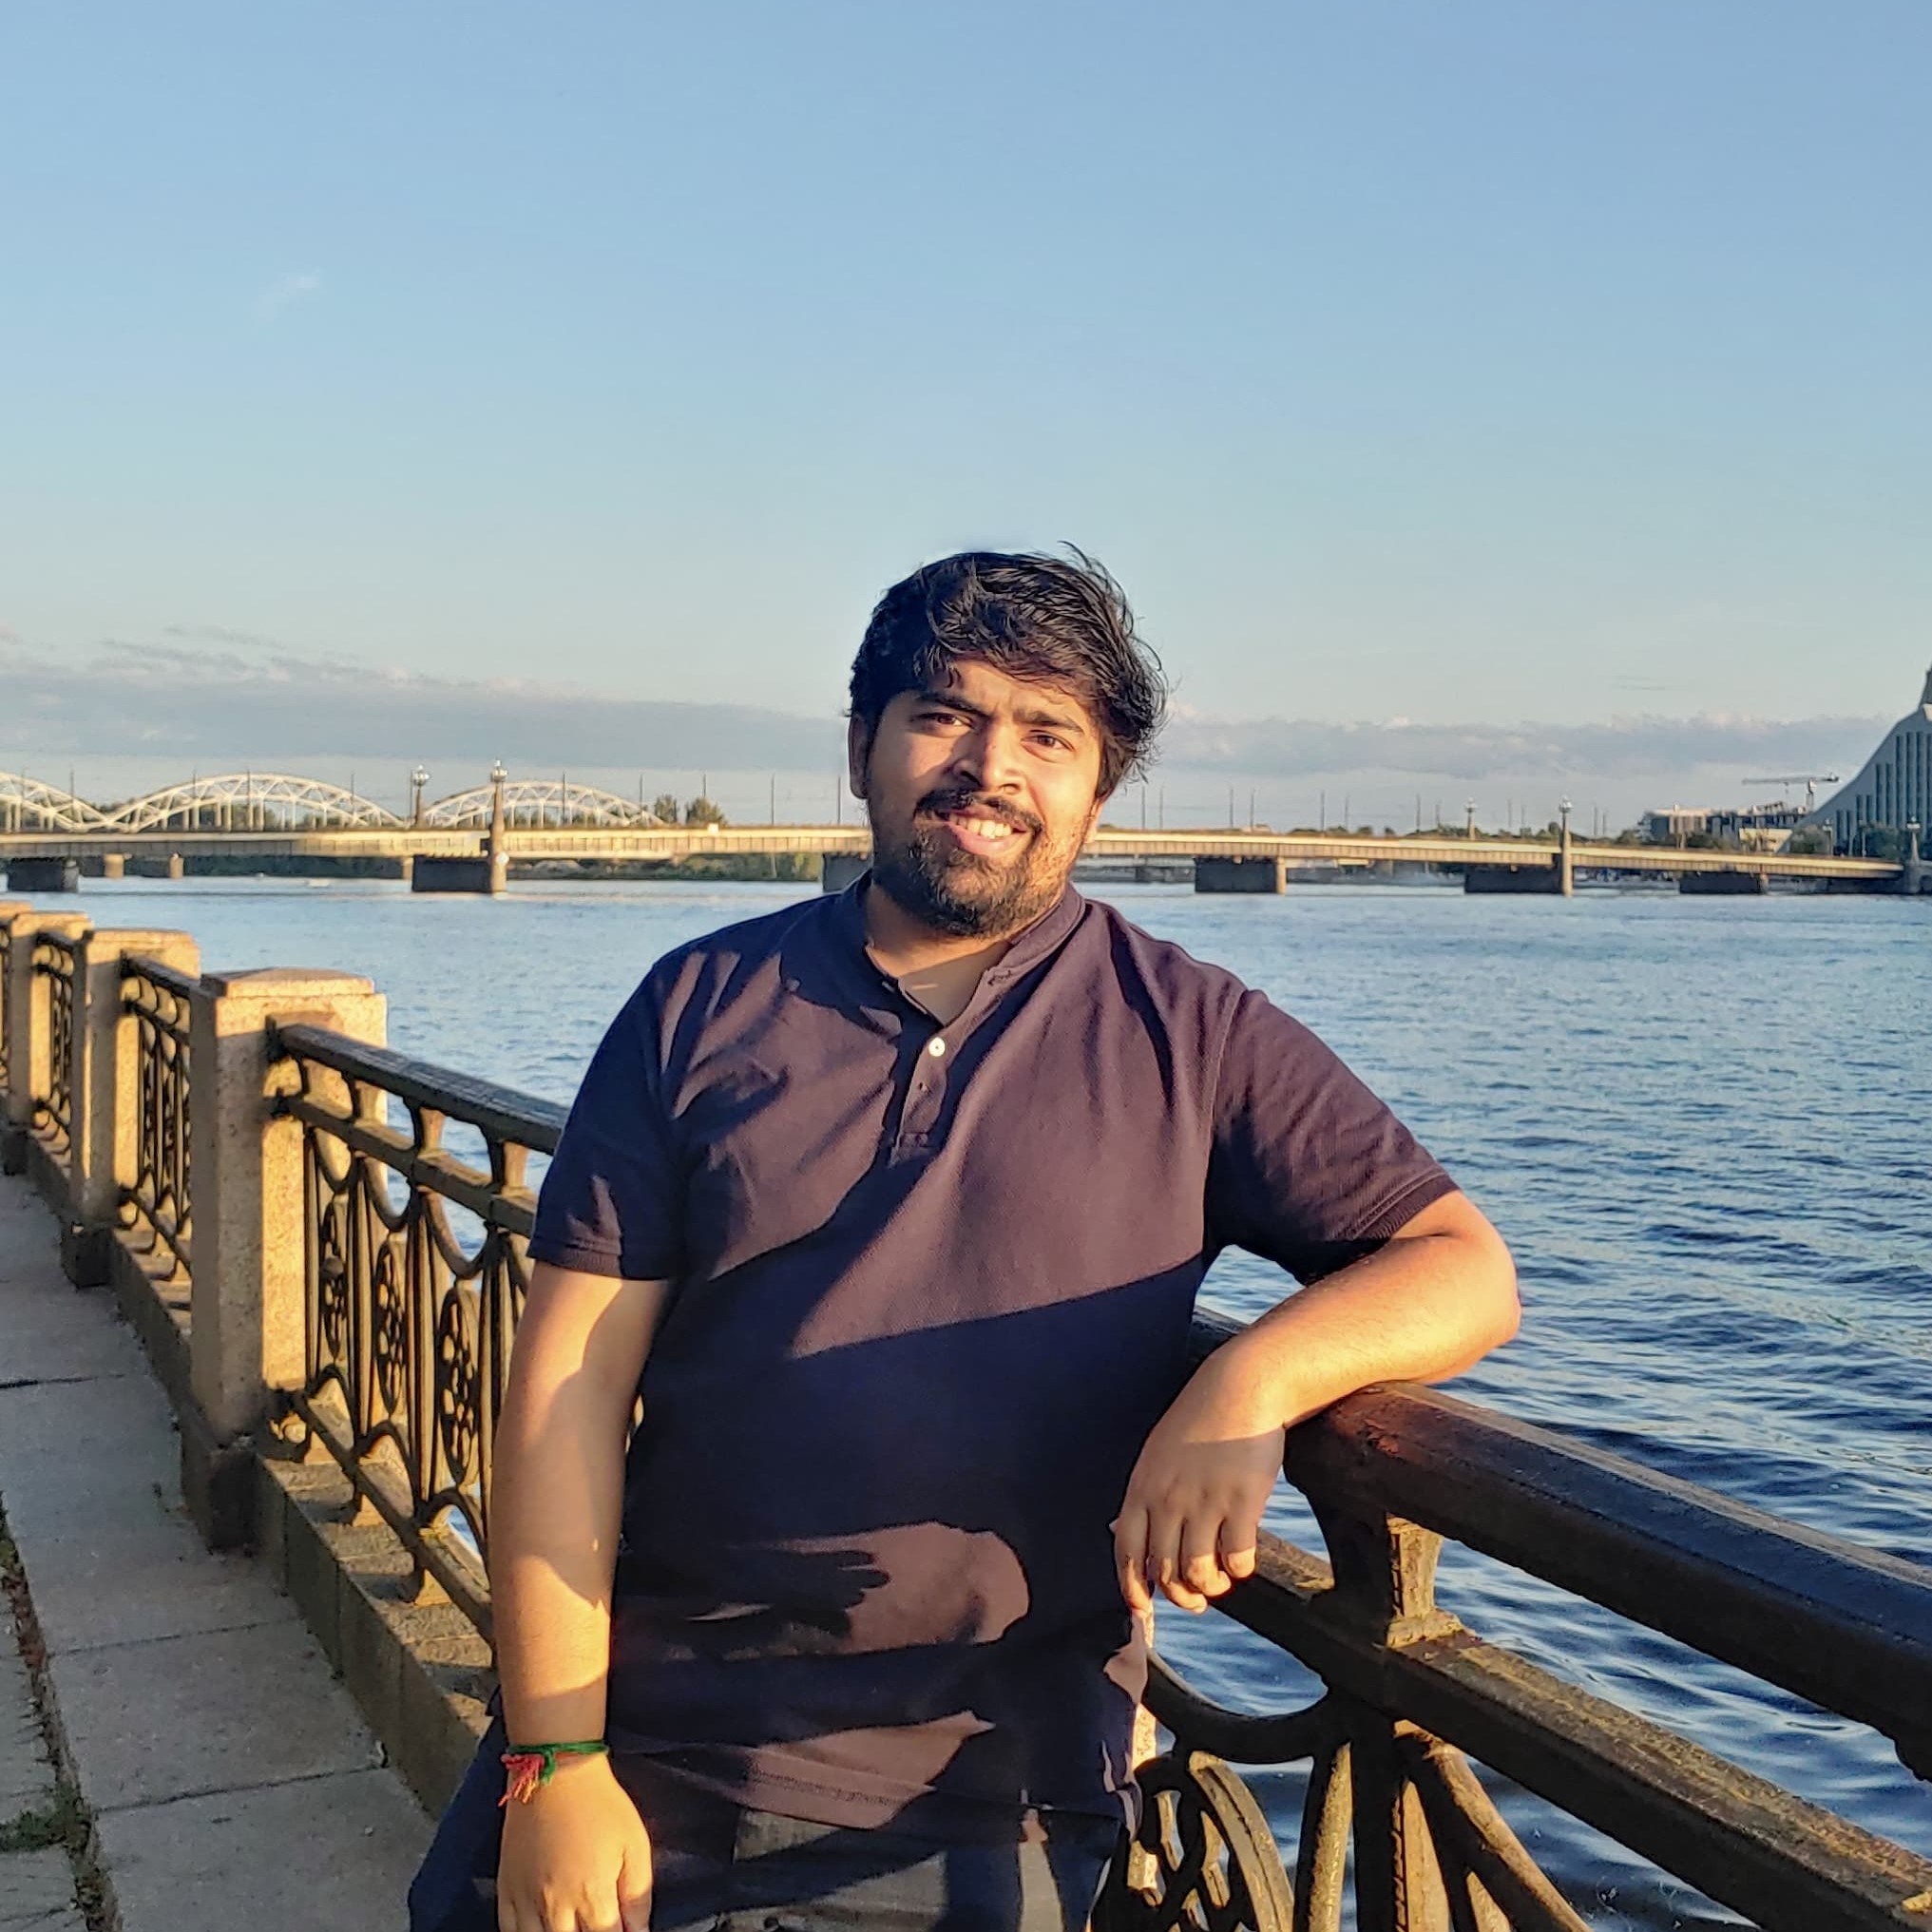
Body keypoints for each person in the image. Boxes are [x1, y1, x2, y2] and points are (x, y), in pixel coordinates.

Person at [409, 550, 1520, 1932]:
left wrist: (1247, 1385)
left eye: (1047, 734)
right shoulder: (698, 1004)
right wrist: (553, 1758)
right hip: (650, 1743)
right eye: (944, 714)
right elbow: (564, 1395)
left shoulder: (1193, 1033)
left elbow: (1459, 1263)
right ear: (862, 748)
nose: (990, 765)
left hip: (984, 1789)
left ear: (1095, 790)